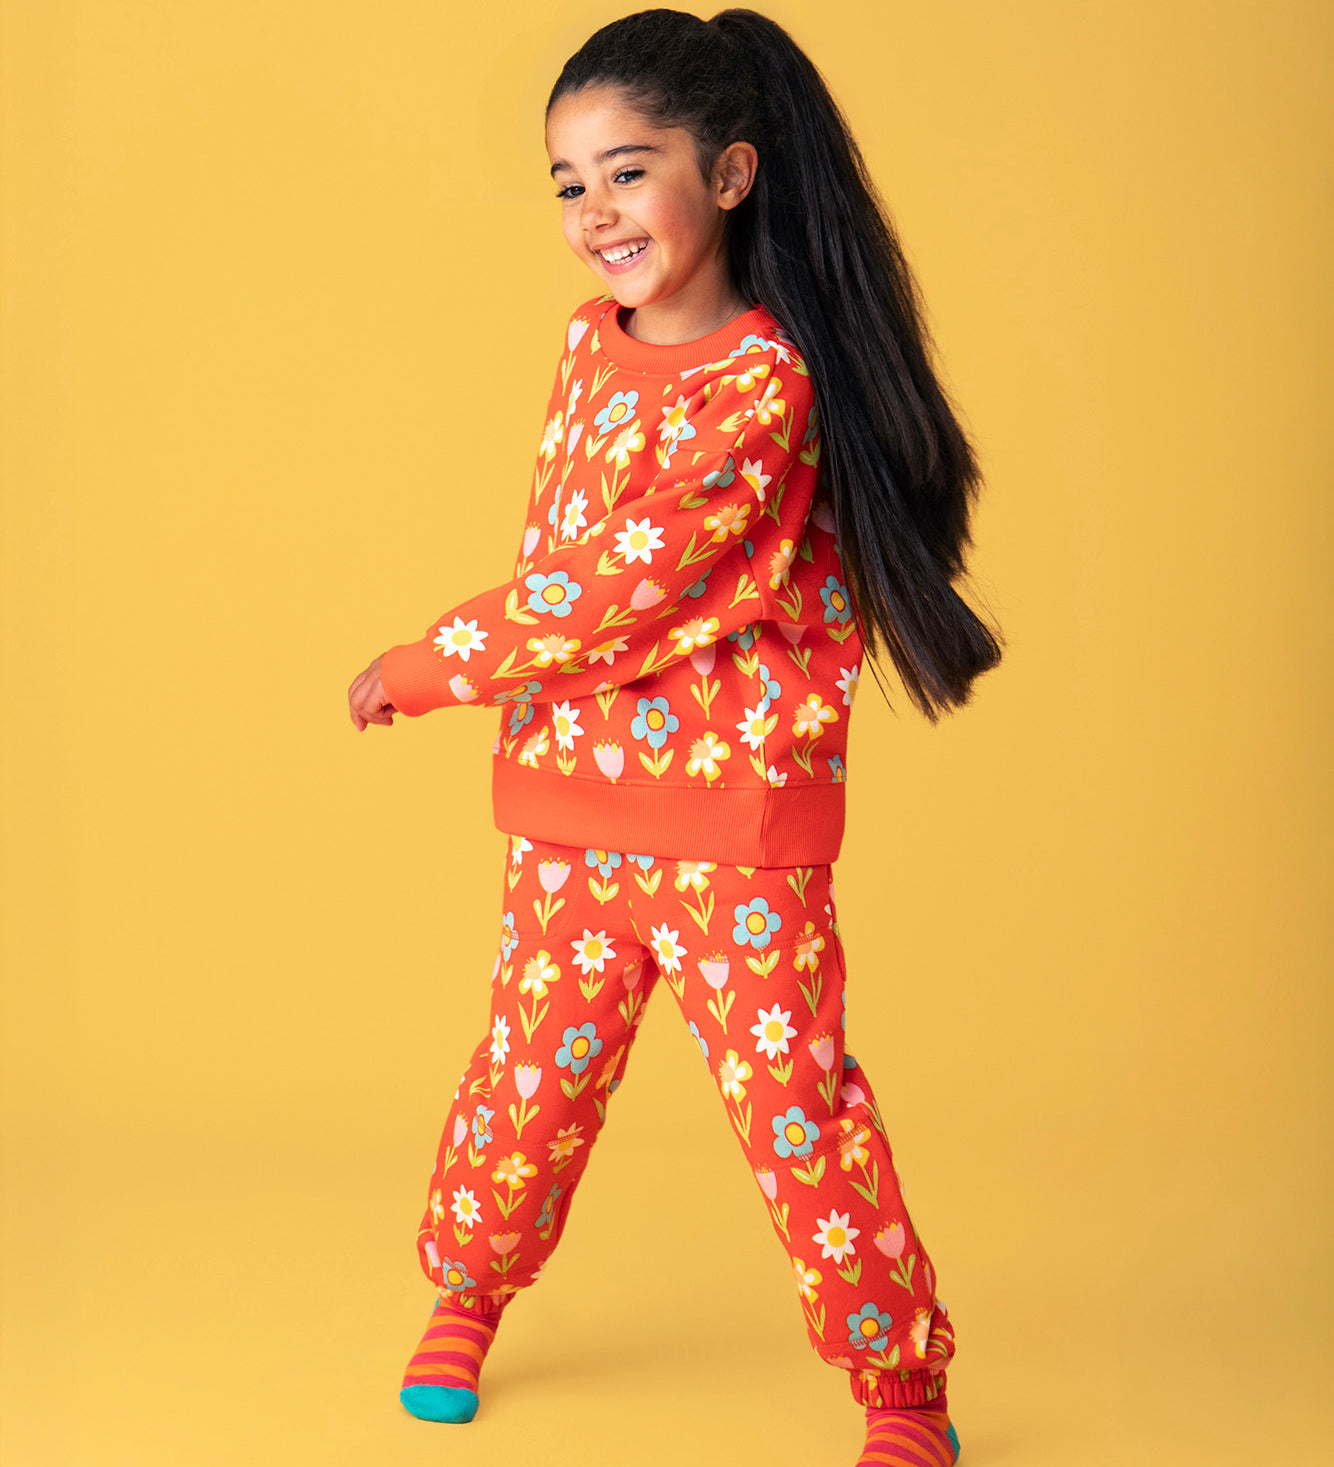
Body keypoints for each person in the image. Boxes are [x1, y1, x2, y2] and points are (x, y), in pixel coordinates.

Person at [347, 9, 1002, 1464]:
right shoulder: (589, 350)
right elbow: (562, 546)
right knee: (523, 1080)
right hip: (572, 819)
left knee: (796, 1115)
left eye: (627, 172)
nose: (594, 213)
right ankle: (467, 1286)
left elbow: (620, 588)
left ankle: (902, 1385)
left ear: (728, 174)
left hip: (733, 841)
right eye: (569, 183)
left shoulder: (764, 387)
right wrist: (501, 702)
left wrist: (431, 663)